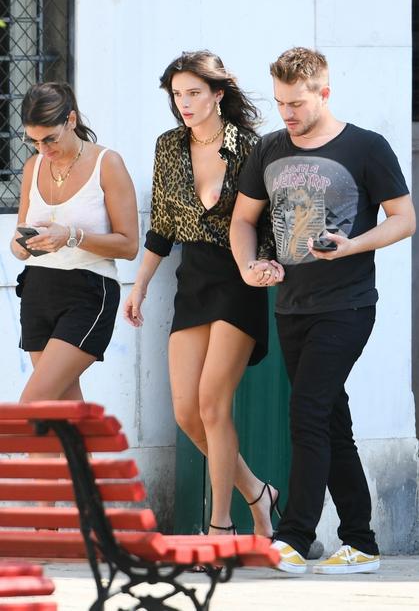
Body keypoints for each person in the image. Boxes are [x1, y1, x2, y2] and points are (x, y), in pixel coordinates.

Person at [230, 47, 416, 574]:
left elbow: (404, 219)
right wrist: (249, 266)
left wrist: (352, 244)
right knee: (331, 420)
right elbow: (243, 220)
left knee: (308, 412)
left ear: (324, 93)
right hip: (291, 307)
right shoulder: (268, 149)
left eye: (296, 103)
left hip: (347, 305)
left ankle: (294, 537)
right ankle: (361, 542)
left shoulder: (366, 146)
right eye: (280, 102)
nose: (286, 113)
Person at [124, 50, 282, 538]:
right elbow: (162, 227)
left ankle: (220, 526)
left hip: (238, 276)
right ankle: (258, 493)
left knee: (213, 405)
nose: (185, 103)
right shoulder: (168, 146)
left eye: (194, 92)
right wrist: (140, 285)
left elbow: (266, 222)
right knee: (187, 413)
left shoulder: (250, 146)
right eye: (177, 94)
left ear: (218, 93)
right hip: (192, 279)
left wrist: (266, 264)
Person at [11, 82, 138, 405]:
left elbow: (129, 245)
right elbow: (17, 242)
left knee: (34, 404)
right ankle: (84, 444)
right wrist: (22, 246)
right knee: (61, 409)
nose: (43, 149)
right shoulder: (33, 167)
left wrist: (71, 236)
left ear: (70, 120)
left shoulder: (107, 163)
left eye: (50, 139)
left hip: (88, 291)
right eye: (34, 141)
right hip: (37, 289)